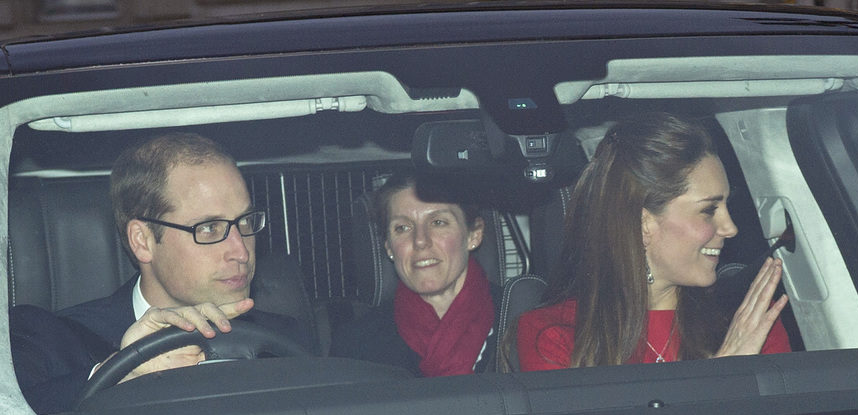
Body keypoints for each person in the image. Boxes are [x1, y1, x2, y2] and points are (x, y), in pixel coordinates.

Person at [11, 132, 310, 414]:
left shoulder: (284, 340)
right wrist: (117, 372)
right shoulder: (53, 341)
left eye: (245, 222)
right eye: (208, 228)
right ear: (143, 241)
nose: (241, 252)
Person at [517, 112, 791, 371]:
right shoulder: (554, 335)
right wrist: (722, 375)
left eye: (726, 207)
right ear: (644, 223)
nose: (730, 228)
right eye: (708, 210)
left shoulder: (746, 323)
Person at [329, 173, 500, 376]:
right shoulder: (355, 346)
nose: (420, 241)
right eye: (402, 228)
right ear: (389, 247)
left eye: (438, 222)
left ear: (474, 234)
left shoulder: (520, 322)